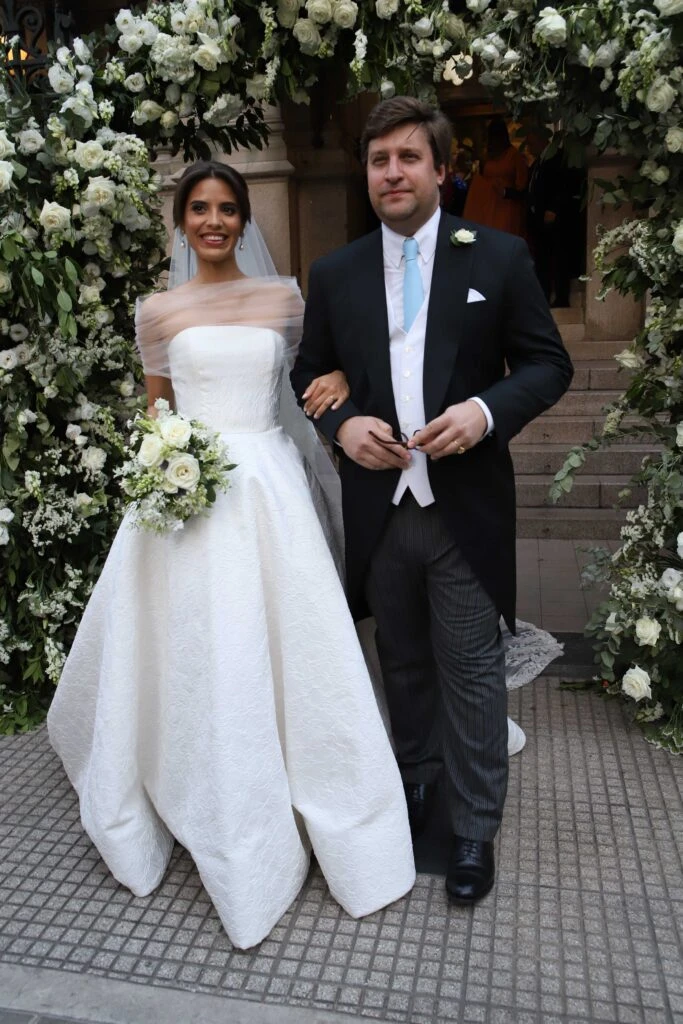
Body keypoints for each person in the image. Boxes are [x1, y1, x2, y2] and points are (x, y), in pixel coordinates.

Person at [47, 160, 415, 950]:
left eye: (226, 209)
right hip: (184, 494)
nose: (212, 221)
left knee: (279, 638)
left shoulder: (284, 300)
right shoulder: (157, 311)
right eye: (198, 209)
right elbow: (157, 412)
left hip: (269, 491)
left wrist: (342, 374)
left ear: (243, 220)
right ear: (181, 221)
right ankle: (185, 773)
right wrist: (162, 470)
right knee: (188, 641)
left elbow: (320, 367)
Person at [291, 97, 573, 905]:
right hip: (377, 507)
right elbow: (306, 373)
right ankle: (417, 789)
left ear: (441, 171)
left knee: (472, 673)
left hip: (463, 508)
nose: (392, 172)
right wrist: (341, 427)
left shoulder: (498, 257)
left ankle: (475, 828)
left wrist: (484, 412)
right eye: (379, 159)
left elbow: (546, 365)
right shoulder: (337, 272)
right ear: (366, 172)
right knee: (402, 664)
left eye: (408, 158)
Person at [526, 129, 582, 308]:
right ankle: (543, 295)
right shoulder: (537, 163)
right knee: (542, 259)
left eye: (531, 142)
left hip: (555, 218)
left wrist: (554, 208)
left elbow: (564, 185)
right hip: (538, 219)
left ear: (541, 141)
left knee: (558, 257)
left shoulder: (556, 158)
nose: (528, 147)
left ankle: (561, 297)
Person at [463, 117, 528, 237]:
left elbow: (523, 188)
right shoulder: (488, 156)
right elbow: (481, 178)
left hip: (506, 207)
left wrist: (505, 192)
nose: (493, 140)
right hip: (486, 207)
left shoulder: (514, 156)